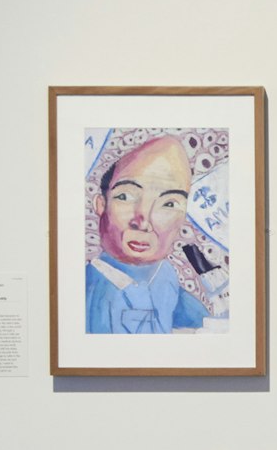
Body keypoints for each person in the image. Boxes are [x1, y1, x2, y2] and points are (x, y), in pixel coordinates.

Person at [84, 134, 210, 334]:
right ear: (101, 204)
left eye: (169, 204)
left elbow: (205, 324)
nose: (143, 222)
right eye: (125, 196)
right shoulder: (87, 290)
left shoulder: (164, 275)